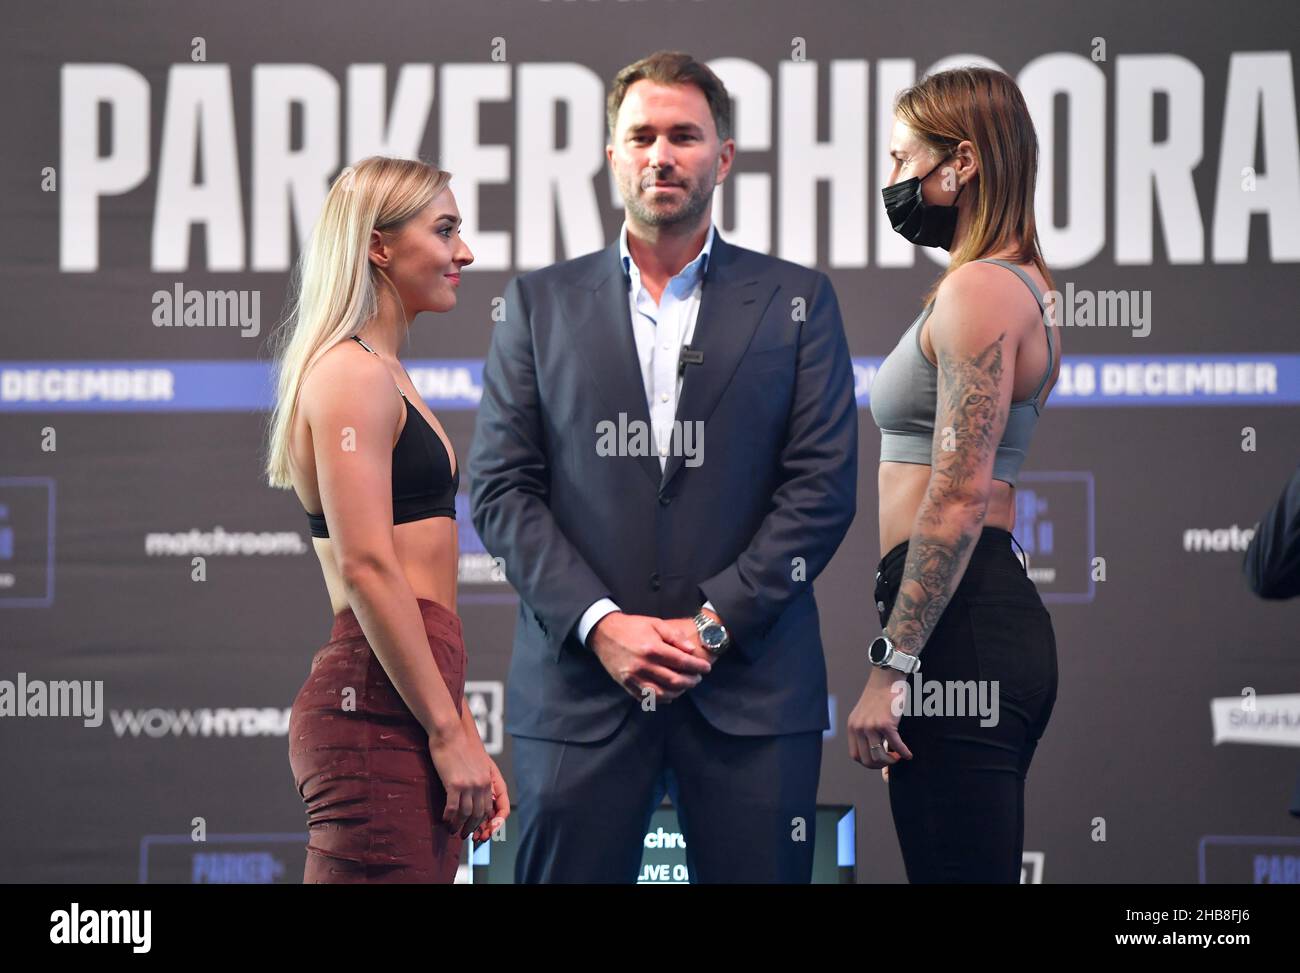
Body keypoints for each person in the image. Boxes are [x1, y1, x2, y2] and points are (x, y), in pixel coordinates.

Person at [468, 51, 858, 883]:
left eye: (684, 135)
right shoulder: (536, 304)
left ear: (724, 156)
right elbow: (501, 490)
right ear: (612, 155)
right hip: (578, 693)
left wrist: (713, 626)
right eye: (640, 135)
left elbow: (821, 487)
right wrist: (602, 624)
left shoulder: (797, 300)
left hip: (752, 693)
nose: (661, 154)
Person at [266, 156, 509, 883]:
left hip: (405, 696)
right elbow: (370, 567)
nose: (463, 251)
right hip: (375, 707)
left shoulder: (381, 370)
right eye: (445, 230)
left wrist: (461, 728)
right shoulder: (351, 374)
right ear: (379, 244)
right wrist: (445, 730)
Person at [849, 67, 1060, 883]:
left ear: (961, 163)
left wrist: (891, 663)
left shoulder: (981, 288)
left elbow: (961, 489)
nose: (893, 181)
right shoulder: (1012, 284)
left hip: (959, 622)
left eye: (903, 159)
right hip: (965, 616)